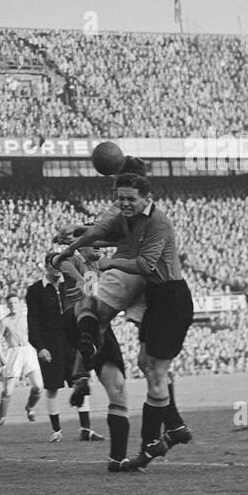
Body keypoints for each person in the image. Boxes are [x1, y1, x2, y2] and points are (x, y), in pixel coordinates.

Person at [51, 174, 193, 471]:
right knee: (147, 366)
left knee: (155, 373)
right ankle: (172, 428)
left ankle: (152, 442)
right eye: (121, 198)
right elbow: (104, 234)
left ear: (146, 198)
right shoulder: (132, 220)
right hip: (155, 297)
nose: (125, 203)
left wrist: (109, 262)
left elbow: (145, 265)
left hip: (171, 297)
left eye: (131, 198)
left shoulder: (158, 223)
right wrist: (74, 241)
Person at [26, 257, 103, 443]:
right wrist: (40, 347)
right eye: (54, 264)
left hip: (73, 340)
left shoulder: (70, 284)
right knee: (52, 386)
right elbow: (33, 321)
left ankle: (85, 429)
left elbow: (89, 296)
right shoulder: (35, 290)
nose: (58, 268)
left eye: (61, 264)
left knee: (80, 381)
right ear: (46, 266)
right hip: (50, 344)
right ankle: (56, 431)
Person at [0, 295, 43, 426]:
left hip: (29, 351)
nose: (13, 304)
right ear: (7, 306)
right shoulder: (4, 322)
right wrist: (1, 355)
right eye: (10, 303)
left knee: (38, 387)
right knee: (8, 390)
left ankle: (30, 407)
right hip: (14, 352)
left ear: (20, 304)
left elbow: (37, 334)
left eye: (15, 302)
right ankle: (2, 417)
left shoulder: (27, 318)